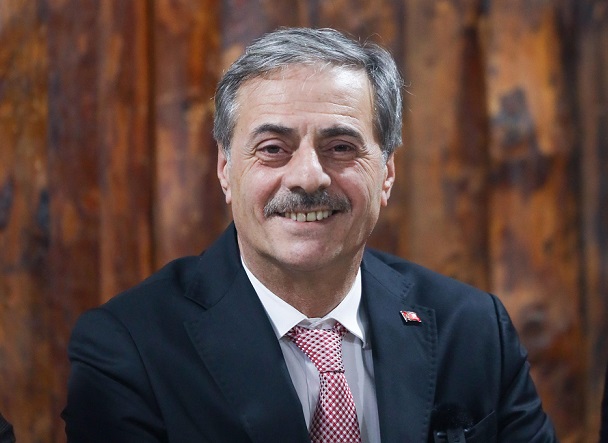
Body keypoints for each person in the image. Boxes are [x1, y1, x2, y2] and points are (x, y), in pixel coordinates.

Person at [62, 27, 557, 442]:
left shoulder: (474, 329)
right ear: (225, 169)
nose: (308, 177)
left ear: (387, 173)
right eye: (273, 148)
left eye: (340, 147)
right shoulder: (127, 349)